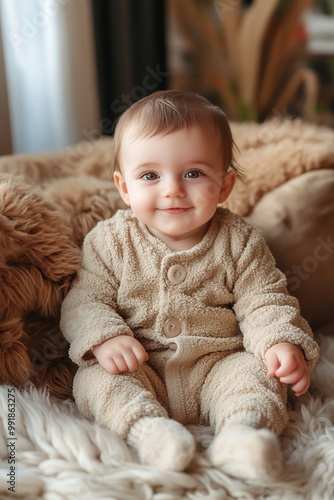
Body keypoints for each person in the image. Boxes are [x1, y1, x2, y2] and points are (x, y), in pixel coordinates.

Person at [60, 90, 319, 478]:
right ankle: (148, 432)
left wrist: (279, 340)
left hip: (218, 364)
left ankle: (243, 434)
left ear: (225, 185)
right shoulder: (109, 241)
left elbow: (264, 299)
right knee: (97, 380)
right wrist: (104, 338)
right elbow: (83, 301)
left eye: (193, 173)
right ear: (124, 187)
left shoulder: (240, 240)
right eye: (150, 175)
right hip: (141, 366)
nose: (173, 189)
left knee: (258, 374)